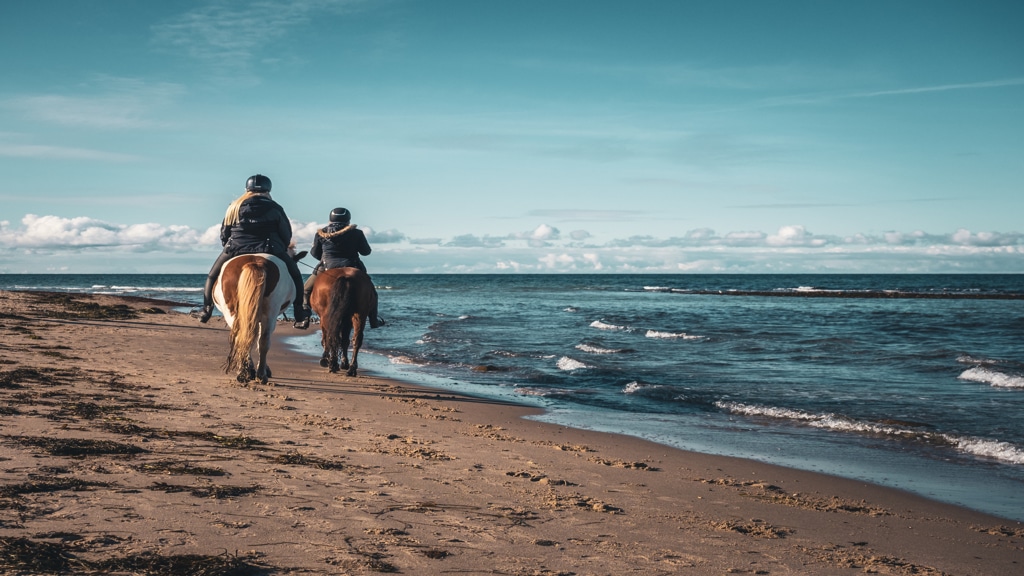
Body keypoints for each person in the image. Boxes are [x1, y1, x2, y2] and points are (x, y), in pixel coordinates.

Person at [198, 174, 311, 329]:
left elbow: (225, 232)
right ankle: (299, 313)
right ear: (268, 190)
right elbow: (286, 233)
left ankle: (206, 309)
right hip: (270, 247)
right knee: (296, 276)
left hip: (235, 247)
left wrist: (228, 245)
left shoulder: (234, 206)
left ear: (247, 189)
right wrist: (282, 247)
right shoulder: (275, 208)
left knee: (212, 276)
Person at [298, 207, 383, 329]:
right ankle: (374, 320)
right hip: (352, 266)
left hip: (327, 267)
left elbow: (315, 254)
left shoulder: (321, 233)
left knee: (305, 290)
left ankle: (304, 318)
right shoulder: (357, 233)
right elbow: (366, 252)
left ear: (330, 219)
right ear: (348, 220)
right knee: (372, 292)